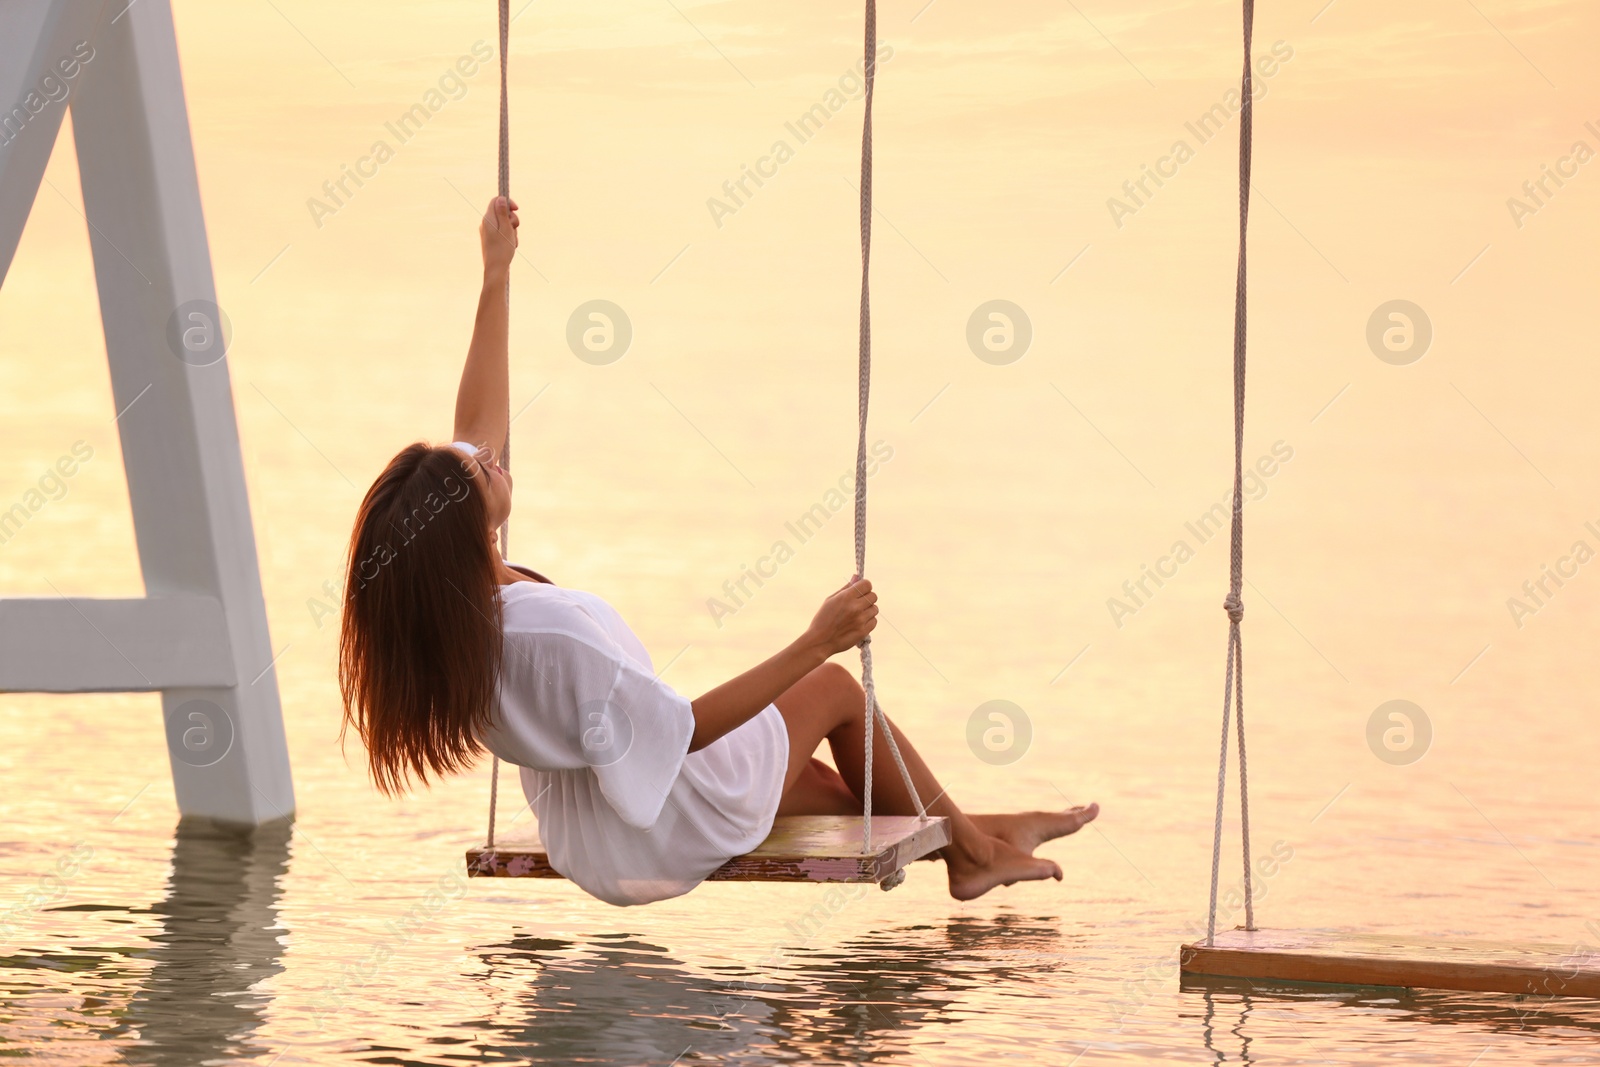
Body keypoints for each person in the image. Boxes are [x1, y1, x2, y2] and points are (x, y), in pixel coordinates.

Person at [339, 197, 1099, 907]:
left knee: (833, 793)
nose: (494, 458)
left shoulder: (454, 611)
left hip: (599, 818)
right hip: (657, 821)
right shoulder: (547, 635)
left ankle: (983, 830)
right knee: (834, 690)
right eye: (480, 474)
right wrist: (816, 639)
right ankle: (973, 851)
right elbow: (686, 733)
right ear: (461, 529)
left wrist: (495, 275)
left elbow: (478, 423)